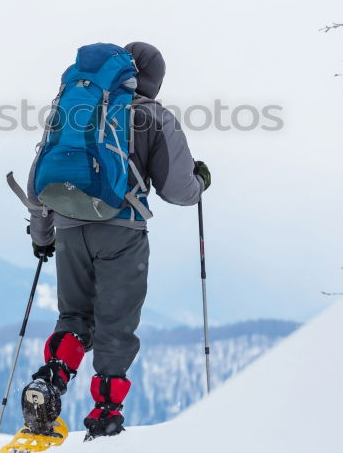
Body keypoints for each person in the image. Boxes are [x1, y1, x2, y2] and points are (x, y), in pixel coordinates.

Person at [19, 41, 211, 441]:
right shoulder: (154, 116)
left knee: (74, 318)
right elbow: (178, 191)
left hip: (70, 228)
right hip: (121, 231)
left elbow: (41, 173)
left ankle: (50, 382)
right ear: (154, 80)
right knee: (115, 327)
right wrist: (201, 182)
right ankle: (105, 415)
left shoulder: (74, 105)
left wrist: (42, 236)